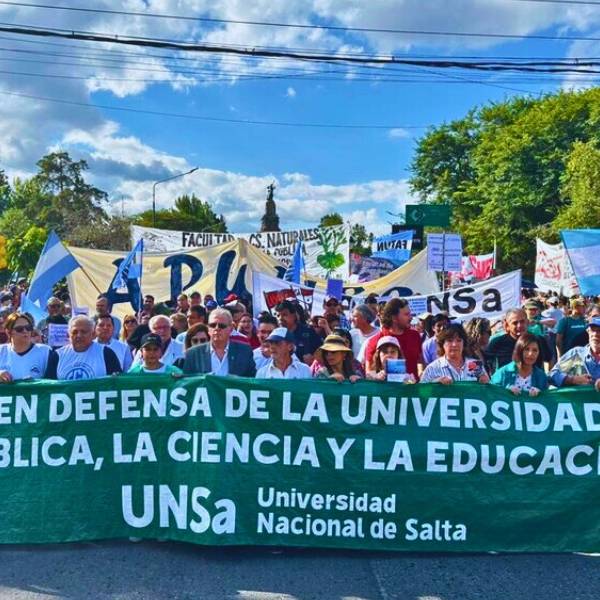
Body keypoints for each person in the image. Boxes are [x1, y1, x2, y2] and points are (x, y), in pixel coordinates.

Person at [182, 307, 256, 376]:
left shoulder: (244, 352)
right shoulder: (193, 354)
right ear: (208, 329)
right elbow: (188, 382)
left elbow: (251, 381)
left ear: (231, 328)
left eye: (221, 326)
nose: (217, 329)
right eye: (213, 325)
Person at [364, 298, 423, 381]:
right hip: (385, 392)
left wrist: (420, 373)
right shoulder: (375, 341)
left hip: (412, 391)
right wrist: (377, 376)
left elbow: (420, 361)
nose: (411, 318)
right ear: (394, 318)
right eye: (406, 314)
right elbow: (368, 372)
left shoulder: (415, 336)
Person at [45, 315, 122, 380]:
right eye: (75, 332)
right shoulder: (57, 356)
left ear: (93, 334)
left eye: (83, 332)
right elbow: (48, 386)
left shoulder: (106, 354)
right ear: (68, 335)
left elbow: (118, 382)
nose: (79, 335)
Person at [420, 323, 490, 384]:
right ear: (442, 344)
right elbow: (421, 393)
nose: (454, 344)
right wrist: (434, 384)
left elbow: (489, 393)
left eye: (459, 340)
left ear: (464, 343)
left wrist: (486, 382)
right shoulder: (432, 369)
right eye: (450, 341)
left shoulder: (476, 365)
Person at [486, 308, 551, 372]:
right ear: (507, 325)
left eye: (522, 321)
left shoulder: (538, 340)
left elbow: (549, 360)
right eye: (515, 323)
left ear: (527, 322)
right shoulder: (497, 341)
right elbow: (486, 362)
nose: (519, 326)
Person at [0, 312, 55, 382]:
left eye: (28, 328)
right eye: (19, 329)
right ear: (8, 332)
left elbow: (54, 384)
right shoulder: (1, 351)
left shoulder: (46, 352)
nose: (25, 331)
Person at [549, 316, 600, 390]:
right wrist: (572, 380)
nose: (595, 334)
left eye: (599, 331)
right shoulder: (577, 353)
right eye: (592, 330)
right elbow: (552, 375)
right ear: (588, 331)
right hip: (580, 400)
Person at [276, 300, 321, 365]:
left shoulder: (308, 331)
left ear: (294, 315)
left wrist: (314, 358)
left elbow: (321, 349)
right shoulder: (277, 334)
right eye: (278, 315)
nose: (280, 318)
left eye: (284, 314)